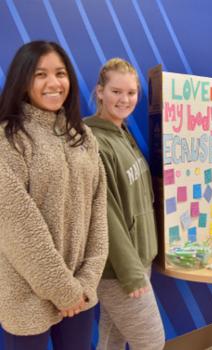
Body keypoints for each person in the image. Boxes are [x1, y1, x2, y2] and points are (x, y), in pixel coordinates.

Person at [0, 41, 108, 349]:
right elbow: (18, 226)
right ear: (23, 81)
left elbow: (98, 214)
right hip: (26, 298)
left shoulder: (83, 136)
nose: (53, 83)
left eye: (60, 73)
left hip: (80, 292)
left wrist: (85, 284)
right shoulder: (8, 138)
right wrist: (64, 291)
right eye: (40, 74)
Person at [84, 58, 165, 350]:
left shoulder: (122, 132)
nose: (125, 99)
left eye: (131, 93)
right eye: (116, 91)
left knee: (112, 338)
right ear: (100, 92)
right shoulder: (92, 140)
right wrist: (131, 273)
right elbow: (105, 214)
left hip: (138, 258)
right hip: (118, 268)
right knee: (152, 341)